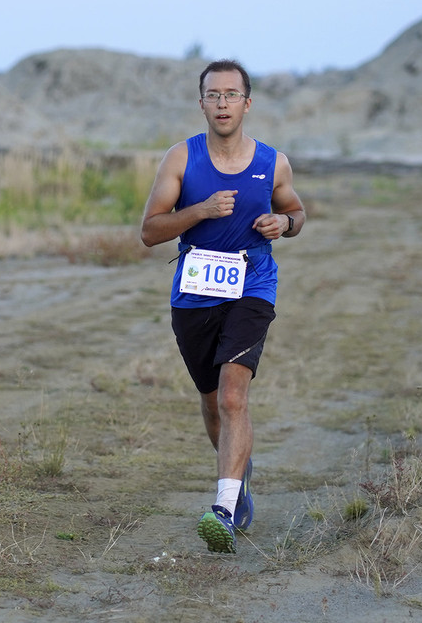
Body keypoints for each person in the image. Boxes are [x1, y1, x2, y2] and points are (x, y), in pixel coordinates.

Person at [140, 59, 305, 553]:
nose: (222, 103)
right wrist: (201, 210)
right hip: (195, 289)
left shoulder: (273, 162)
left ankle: (224, 509)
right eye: (213, 95)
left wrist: (284, 224)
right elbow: (150, 231)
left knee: (234, 397)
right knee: (212, 401)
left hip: (253, 282)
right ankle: (239, 475)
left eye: (232, 94)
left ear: (247, 103)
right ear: (202, 104)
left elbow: (296, 212)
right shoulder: (181, 158)